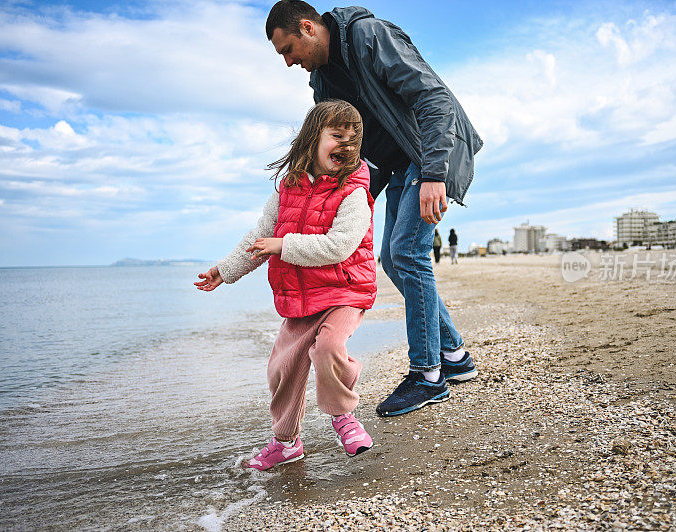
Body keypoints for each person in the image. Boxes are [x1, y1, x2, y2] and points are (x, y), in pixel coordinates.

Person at [266, 0, 482, 417]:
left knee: (407, 253)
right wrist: (348, 198)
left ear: (308, 28)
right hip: (398, 165)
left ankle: (428, 375)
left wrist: (435, 173)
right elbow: (344, 149)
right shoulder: (324, 84)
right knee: (391, 258)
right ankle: (454, 355)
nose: (289, 62)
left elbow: (434, 98)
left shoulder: (368, 36)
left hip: (431, 151)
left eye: (287, 50)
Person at [194, 100, 376, 470]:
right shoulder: (287, 188)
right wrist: (224, 271)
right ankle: (286, 442)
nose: (346, 145)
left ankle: (343, 416)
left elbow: (340, 245)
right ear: (312, 138)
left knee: (328, 347)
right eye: (337, 135)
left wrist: (284, 245)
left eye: (353, 139)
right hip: (299, 296)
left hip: (344, 290)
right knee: (282, 367)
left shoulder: (354, 193)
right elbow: (261, 237)